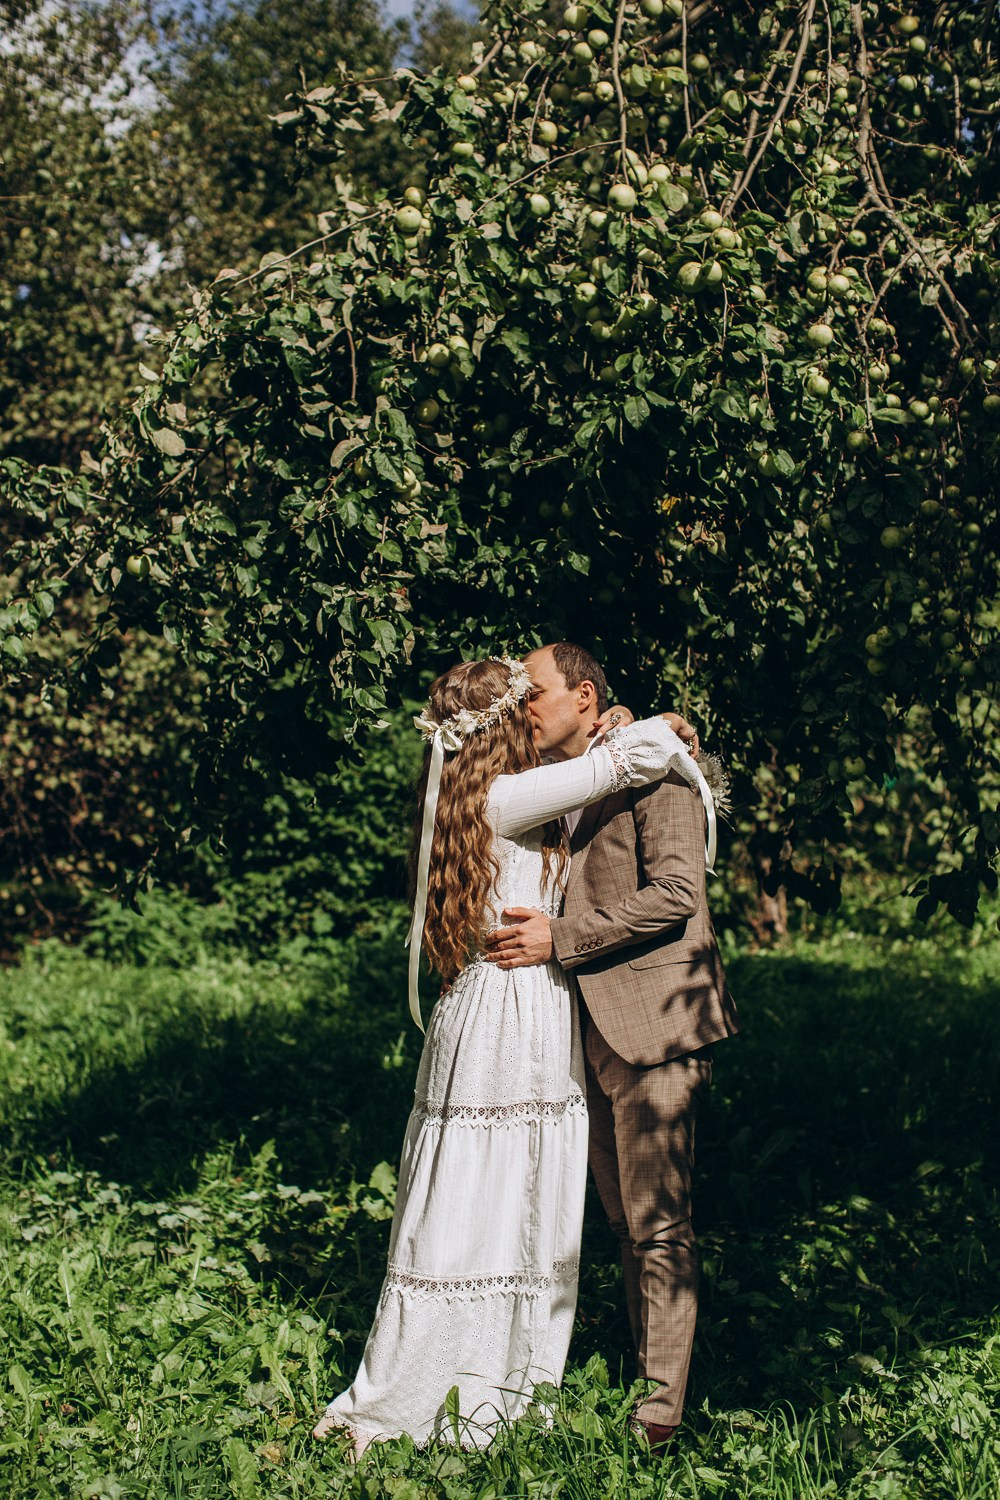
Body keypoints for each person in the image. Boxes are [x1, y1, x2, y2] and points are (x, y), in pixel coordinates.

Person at [312, 654, 706, 1457]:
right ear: (497, 726)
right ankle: (471, 1377)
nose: (532, 710)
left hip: (514, 1008)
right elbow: (630, 757)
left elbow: (643, 816)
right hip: (515, 1011)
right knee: (500, 1193)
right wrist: (657, 723)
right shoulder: (513, 795)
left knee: (504, 1193)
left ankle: (514, 1371)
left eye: (537, 695)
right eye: (519, 702)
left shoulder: (482, 796)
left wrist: (622, 720)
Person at [485, 642, 739, 1453]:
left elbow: (677, 894)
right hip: (583, 1032)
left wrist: (560, 939)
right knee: (624, 1225)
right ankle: (646, 1381)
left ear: (585, 696)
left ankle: (659, 1416)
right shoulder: (558, 781)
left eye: (533, 691)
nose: (522, 706)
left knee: (660, 1225)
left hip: (656, 1022)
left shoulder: (657, 768)